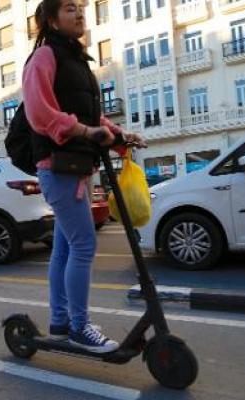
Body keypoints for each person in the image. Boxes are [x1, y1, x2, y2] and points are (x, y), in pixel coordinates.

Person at [22, 0, 147, 353]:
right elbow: (40, 113)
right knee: (83, 246)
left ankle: (60, 322)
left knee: (64, 249)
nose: (79, 14)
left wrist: (121, 135)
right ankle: (79, 326)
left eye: (81, 8)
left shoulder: (76, 61)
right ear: (50, 19)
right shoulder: (45, 57)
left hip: (77, 166)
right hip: (57, 167)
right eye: (69, 8)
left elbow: (94, 118)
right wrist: (83, 131)